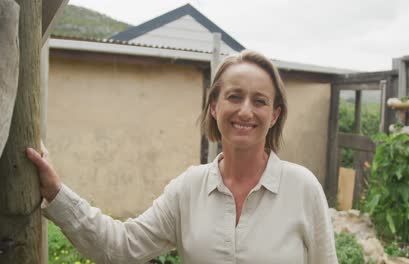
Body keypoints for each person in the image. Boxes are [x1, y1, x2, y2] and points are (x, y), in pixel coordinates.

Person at [27, 50, 338, 264]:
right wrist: (56, 193)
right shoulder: (188, 189)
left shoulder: (302, 188)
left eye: (259, 101)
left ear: (274, 115)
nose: (245, 110)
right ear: (214, 106)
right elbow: (119, 247)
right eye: (234, 96)